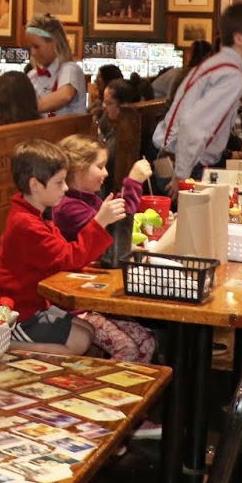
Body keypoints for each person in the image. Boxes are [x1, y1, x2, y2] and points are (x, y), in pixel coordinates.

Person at [0, 139, 126, 354]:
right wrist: (99, 223)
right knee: (79, 341)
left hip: (32, 303)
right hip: (13, 311)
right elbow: (69, 258)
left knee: (87, 331)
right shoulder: (25, 223)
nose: (65, 188)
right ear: (35, 185)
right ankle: (4, 345)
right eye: (59, 182)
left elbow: (64, 254)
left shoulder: (36, 214)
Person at [50, 136, 157, 364]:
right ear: (78, 169)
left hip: (93, 296)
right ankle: (104, 386)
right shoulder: (68, 208)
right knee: (127, 348)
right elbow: (114, 235)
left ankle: (129, 386)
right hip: (74, 304)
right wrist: (133, 182)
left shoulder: (90, 200)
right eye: (99, 166)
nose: (106, 173)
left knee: (147, 342)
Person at [152, 4, 242, 182]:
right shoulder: (231, 76)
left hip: (171, 157)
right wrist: (181, 175)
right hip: (187, 165)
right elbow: (193, 125)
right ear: (239, 38)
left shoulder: (215, 65)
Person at [25, 13, 87, 117]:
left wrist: (26, 109)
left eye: (36, 46)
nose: (33, 53)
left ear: (55, 43)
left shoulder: (70, 69)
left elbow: (65, 95)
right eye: (30, 47)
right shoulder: (32, 75)